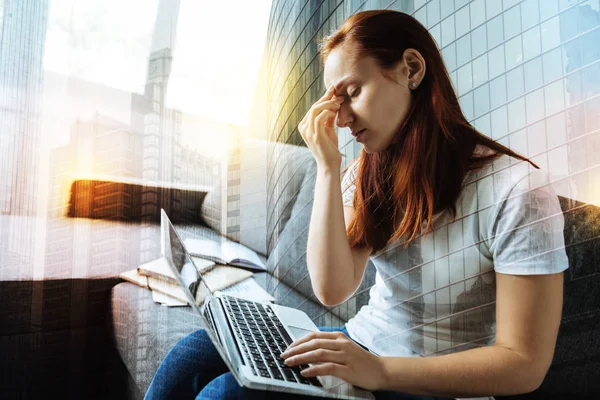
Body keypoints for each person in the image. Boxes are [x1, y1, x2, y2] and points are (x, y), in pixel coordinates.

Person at [144, 10, 568, 400]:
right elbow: (332, 287)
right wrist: (328, 168)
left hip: (433, 383)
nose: (342, 119)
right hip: (363, 342)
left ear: (411, 69)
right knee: (194, 353)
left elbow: (523, 364)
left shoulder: (518, 192)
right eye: (335, 102)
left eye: (352, 93)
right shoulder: (367, 172)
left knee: (224, 395)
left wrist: (380, 370)